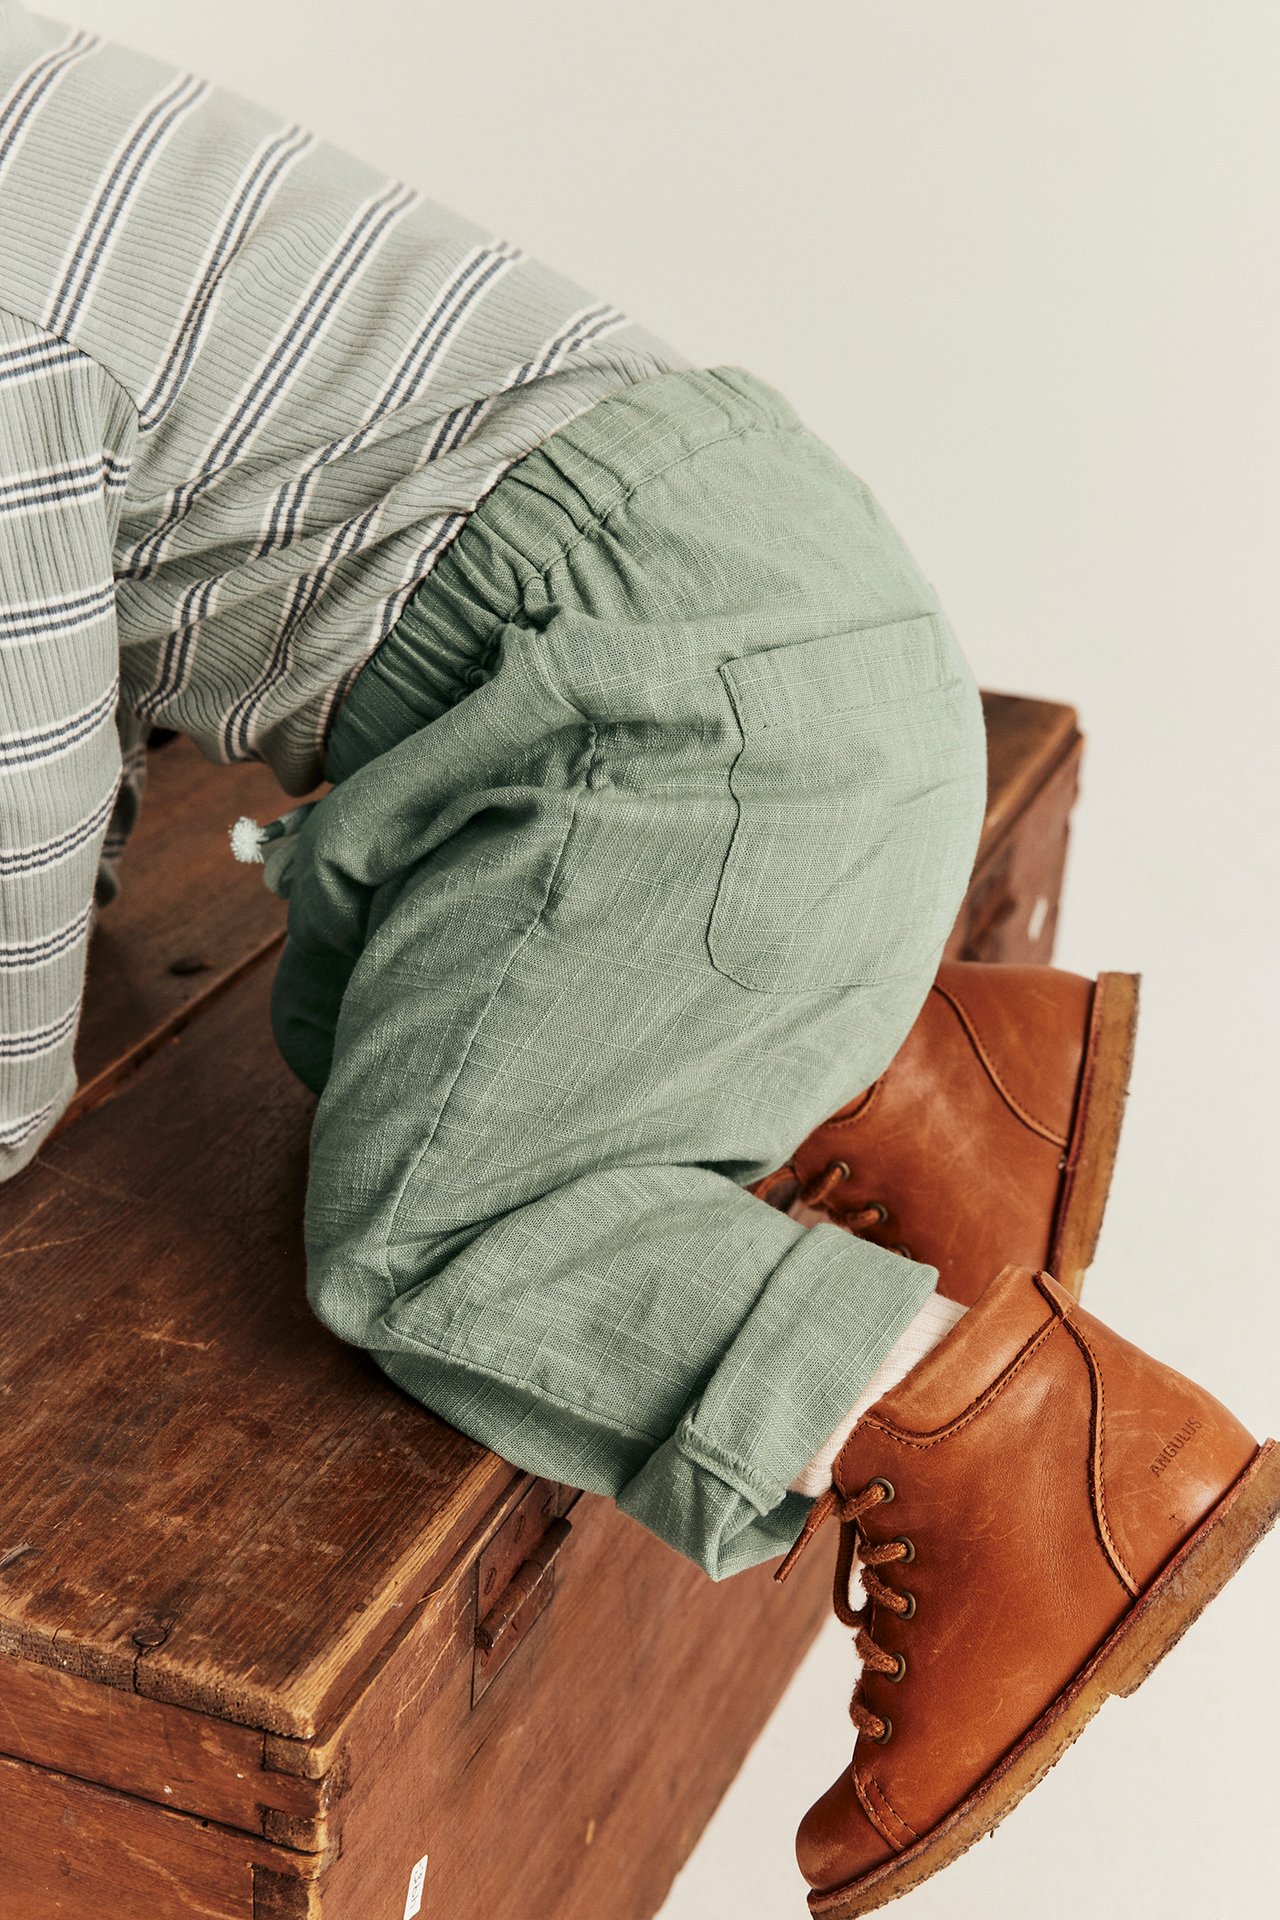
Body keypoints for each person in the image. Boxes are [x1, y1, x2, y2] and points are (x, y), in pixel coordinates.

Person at [0, 7, 1273, 1911]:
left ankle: (1019, 1455)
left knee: (430, 1224)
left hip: (666, 717)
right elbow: (67, 619)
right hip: (767, 645)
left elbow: (14, 748)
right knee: (370, 1012)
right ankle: (889, 1071)